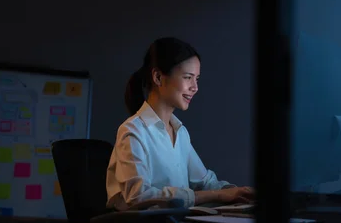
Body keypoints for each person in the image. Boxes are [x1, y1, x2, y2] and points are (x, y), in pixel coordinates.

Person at [106, 37, 254, 210]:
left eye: (197, 79)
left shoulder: (180, 132)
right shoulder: (132, 131)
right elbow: (138, 196)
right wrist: (218, 195)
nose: (195, 87)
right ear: (158, 77)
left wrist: (239, 192)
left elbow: (205, 182)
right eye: (188, 77)